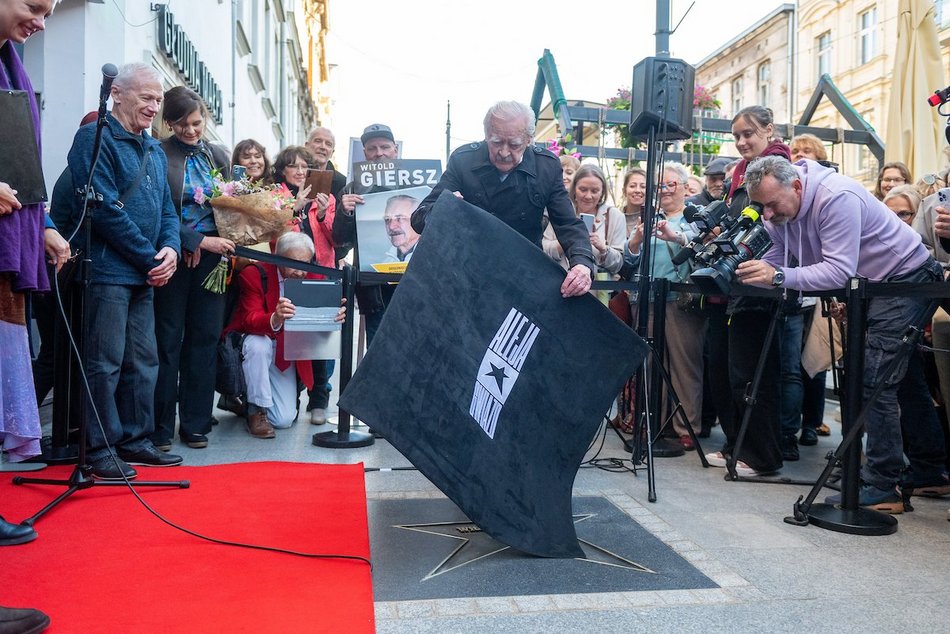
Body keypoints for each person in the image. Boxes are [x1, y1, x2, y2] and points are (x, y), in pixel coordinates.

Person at [738, 156, 943, 512]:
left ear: (797, 186)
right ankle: (929, 471)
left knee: (875, 380)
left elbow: (837, 270)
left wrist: (779, 277)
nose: (767, 214)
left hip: (905, 279)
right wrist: (747, 264)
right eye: (761, 206)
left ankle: (882, 484)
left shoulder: (837, 196)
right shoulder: (783, 208)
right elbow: (775, 252)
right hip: (879, 285)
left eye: (772, 204)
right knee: (903, 381)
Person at [66, 62, 182, 480]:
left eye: (158, 99)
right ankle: (99, 447)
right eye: (146, 97)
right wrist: (151, 257)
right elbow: (102, 206)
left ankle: (136, 439)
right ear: (117, 94)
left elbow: (169, 209)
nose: (154, 106)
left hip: (143, 272)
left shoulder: (152, 148)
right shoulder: (93, 138)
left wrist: (170, 247)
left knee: (143, 361)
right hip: (110, 272)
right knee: (105, 362)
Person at [412, 100, 594, 297]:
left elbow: (568, 224)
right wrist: (443, 210)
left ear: (529, 140)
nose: (504, 152)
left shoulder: (546, 167)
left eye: (514, 145)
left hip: (522, 275)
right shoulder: (463, 161)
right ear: (486, 136)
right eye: (497, 142)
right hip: (467, 275)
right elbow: (419, 219)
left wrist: (582, 263)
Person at [0, 0, 70, 463]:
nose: (42, 23)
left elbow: (16, 154)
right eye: (35, 6)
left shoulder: (11, 62)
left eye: (49, 12)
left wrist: (42, 222)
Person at [705, 105, 791, 475]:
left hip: (760, 282)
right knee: (726, 370)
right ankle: (736, 443)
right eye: (736, 135)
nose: (741, 142)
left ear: (768, 131)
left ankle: (761, 454)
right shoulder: (740, 172)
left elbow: (773, 227)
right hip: (733, 281)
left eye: (748, 134)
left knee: (752, 373)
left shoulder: (777, 168)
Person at [153, 86, 234, 451]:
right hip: (171, 255)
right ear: (169, 123)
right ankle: (159, 425)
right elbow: (156, 209)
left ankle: (196, 423)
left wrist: (217, 243)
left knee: (204, 339)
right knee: (167, 340)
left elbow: (231, 209)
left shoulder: (218, 155)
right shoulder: (157, 154)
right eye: (181, 124)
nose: (190, 130)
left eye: (196, 123)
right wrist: (191, 241)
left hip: (214, 261)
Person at [224, 232, 344, 436]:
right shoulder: (255, 273)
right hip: (256, 343)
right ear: (278, 258)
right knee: (258, 344)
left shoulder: (315, 276)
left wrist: (333, 317)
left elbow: (320, 337)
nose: (300, 271)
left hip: (287, 351)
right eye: (293, 264)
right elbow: (249, 320)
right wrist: (275, 318)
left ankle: (242, 400)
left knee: (283, 419)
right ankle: (255, 410)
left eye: (305, 263)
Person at [625, 161, 707, 450]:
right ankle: (653, 420)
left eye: (670, 184)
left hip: (680, 301)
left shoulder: (695, 218)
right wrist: (635, 241)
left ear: (685, 187)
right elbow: (629, 260)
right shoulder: (648, 217)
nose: (663, 191)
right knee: (649, 365)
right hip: (646, 299)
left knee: (684, 365)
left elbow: (701, 251)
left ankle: (687, 427)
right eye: (658, 186)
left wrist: (676, 237)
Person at [272, 145, 336, 425]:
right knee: (293, 341)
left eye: (304, 166)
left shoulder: (327, 197)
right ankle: (292, 399)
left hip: (320, 274)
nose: (299, 171)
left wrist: (322, 215)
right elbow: (271, 236)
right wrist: (292, 209)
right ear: (282, 170)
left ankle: (319, 401)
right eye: (293, 166)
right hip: (287, 276)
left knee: (319, 341)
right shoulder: (276, 197)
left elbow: (338, 239)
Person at [332, 123, 401, 345]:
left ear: (395, 150)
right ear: (364, 154)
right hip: (375, 292)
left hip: (413, 288)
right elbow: (340, 243)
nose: (379, 153)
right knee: (378, 356)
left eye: (385, 147)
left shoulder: (418, 182)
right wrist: (344, 212)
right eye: (372, 148)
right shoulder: (351, 190)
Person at [544, 164, 625, 275]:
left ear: (602, 192)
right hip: (559, 285)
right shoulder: (561, 212)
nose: (588, 196)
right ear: (574, 189)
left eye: (595, 191)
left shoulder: (614, 216)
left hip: (597, 289)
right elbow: (543, 249)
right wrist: (565, 242)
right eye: (583, 189)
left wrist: (603, 248)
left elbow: (619, 264)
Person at [305, 126, 347, 206]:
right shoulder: (294, 176)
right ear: (307, 146)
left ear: (332, 152)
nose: (323, 147)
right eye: (318, 141)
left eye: (328, 144)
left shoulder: (343, 184)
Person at [382, 193, 421, 263]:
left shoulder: (434, 256)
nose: (391, 226)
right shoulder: (385, 262)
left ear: (417, 219)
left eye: (399, 218)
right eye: (387, 219)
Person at [620, 168, 647, 237]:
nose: (637, 190)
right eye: (632, 186)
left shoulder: (655, 218)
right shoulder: (615, 218)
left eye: (643, 187)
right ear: (624, 191)